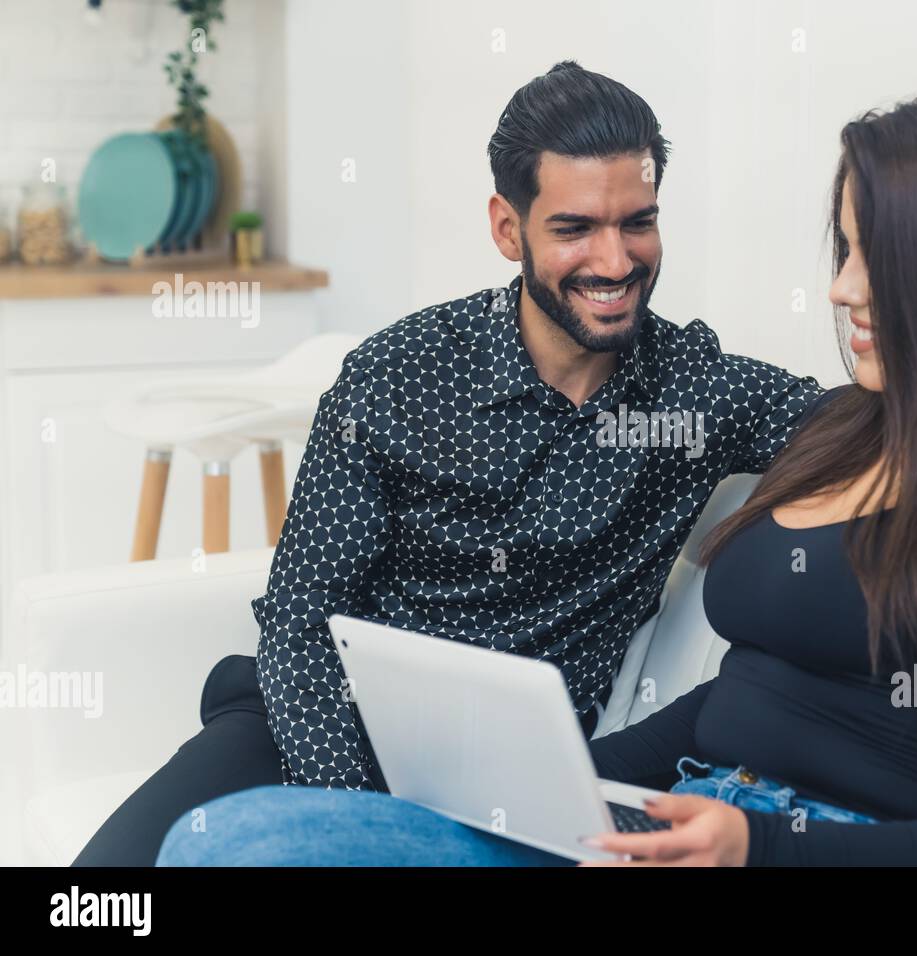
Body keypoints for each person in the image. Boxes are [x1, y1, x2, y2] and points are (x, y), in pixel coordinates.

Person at [156, 82, 917, 867]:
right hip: (620, 807)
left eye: (877, 260)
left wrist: (758, 844)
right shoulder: (843, 433)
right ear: (508, 231)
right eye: (846, 251)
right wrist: (542, 788)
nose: (840, 288)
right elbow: (743, 696)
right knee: (212, 842)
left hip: (767, 842)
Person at [72, 60, 823, 866]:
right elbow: (299, 622)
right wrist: (353, 815)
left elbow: (880, 429)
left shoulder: (696, 391)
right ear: (508, 228)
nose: (615, 261)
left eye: (637, 222)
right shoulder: (397, 375)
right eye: (574, 229)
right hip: (310, 726)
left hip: (505, 786)